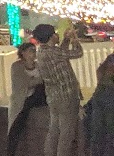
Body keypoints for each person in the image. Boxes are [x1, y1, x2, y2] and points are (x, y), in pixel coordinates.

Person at [33, 22, 83, 156]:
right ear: (51, 37)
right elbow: (78, 53)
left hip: (53, 97)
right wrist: (74, 39)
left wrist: (66, 39)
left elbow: (62, 53)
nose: (57, 35)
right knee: (66, 133)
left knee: (54, 130)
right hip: (66, 96)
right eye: (55, 33)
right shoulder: (54, 52)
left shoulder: (43, 51)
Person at [84, 55, 114, 156]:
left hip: (100, 95)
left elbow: (99, 72)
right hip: (109, 97)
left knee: (98, 131)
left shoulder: (110, 58)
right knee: (109, 132)